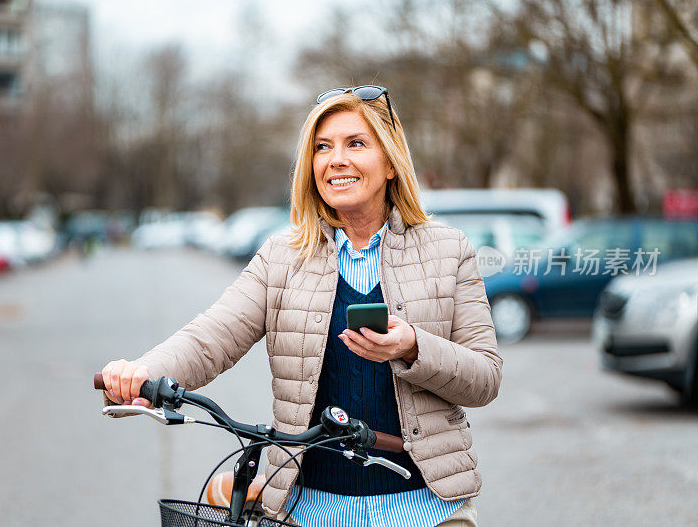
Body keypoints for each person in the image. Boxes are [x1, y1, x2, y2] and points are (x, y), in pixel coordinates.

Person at [101, 85, 502, 526]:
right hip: (312, 511)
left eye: (356, 144)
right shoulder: (282, 257)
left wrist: (413, 347)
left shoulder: (448, 250)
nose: (337, 159)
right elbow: (211, 336)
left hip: (427, 511)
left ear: (390, 162)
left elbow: (484, 377)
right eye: (323, 147)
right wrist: (143, 371)